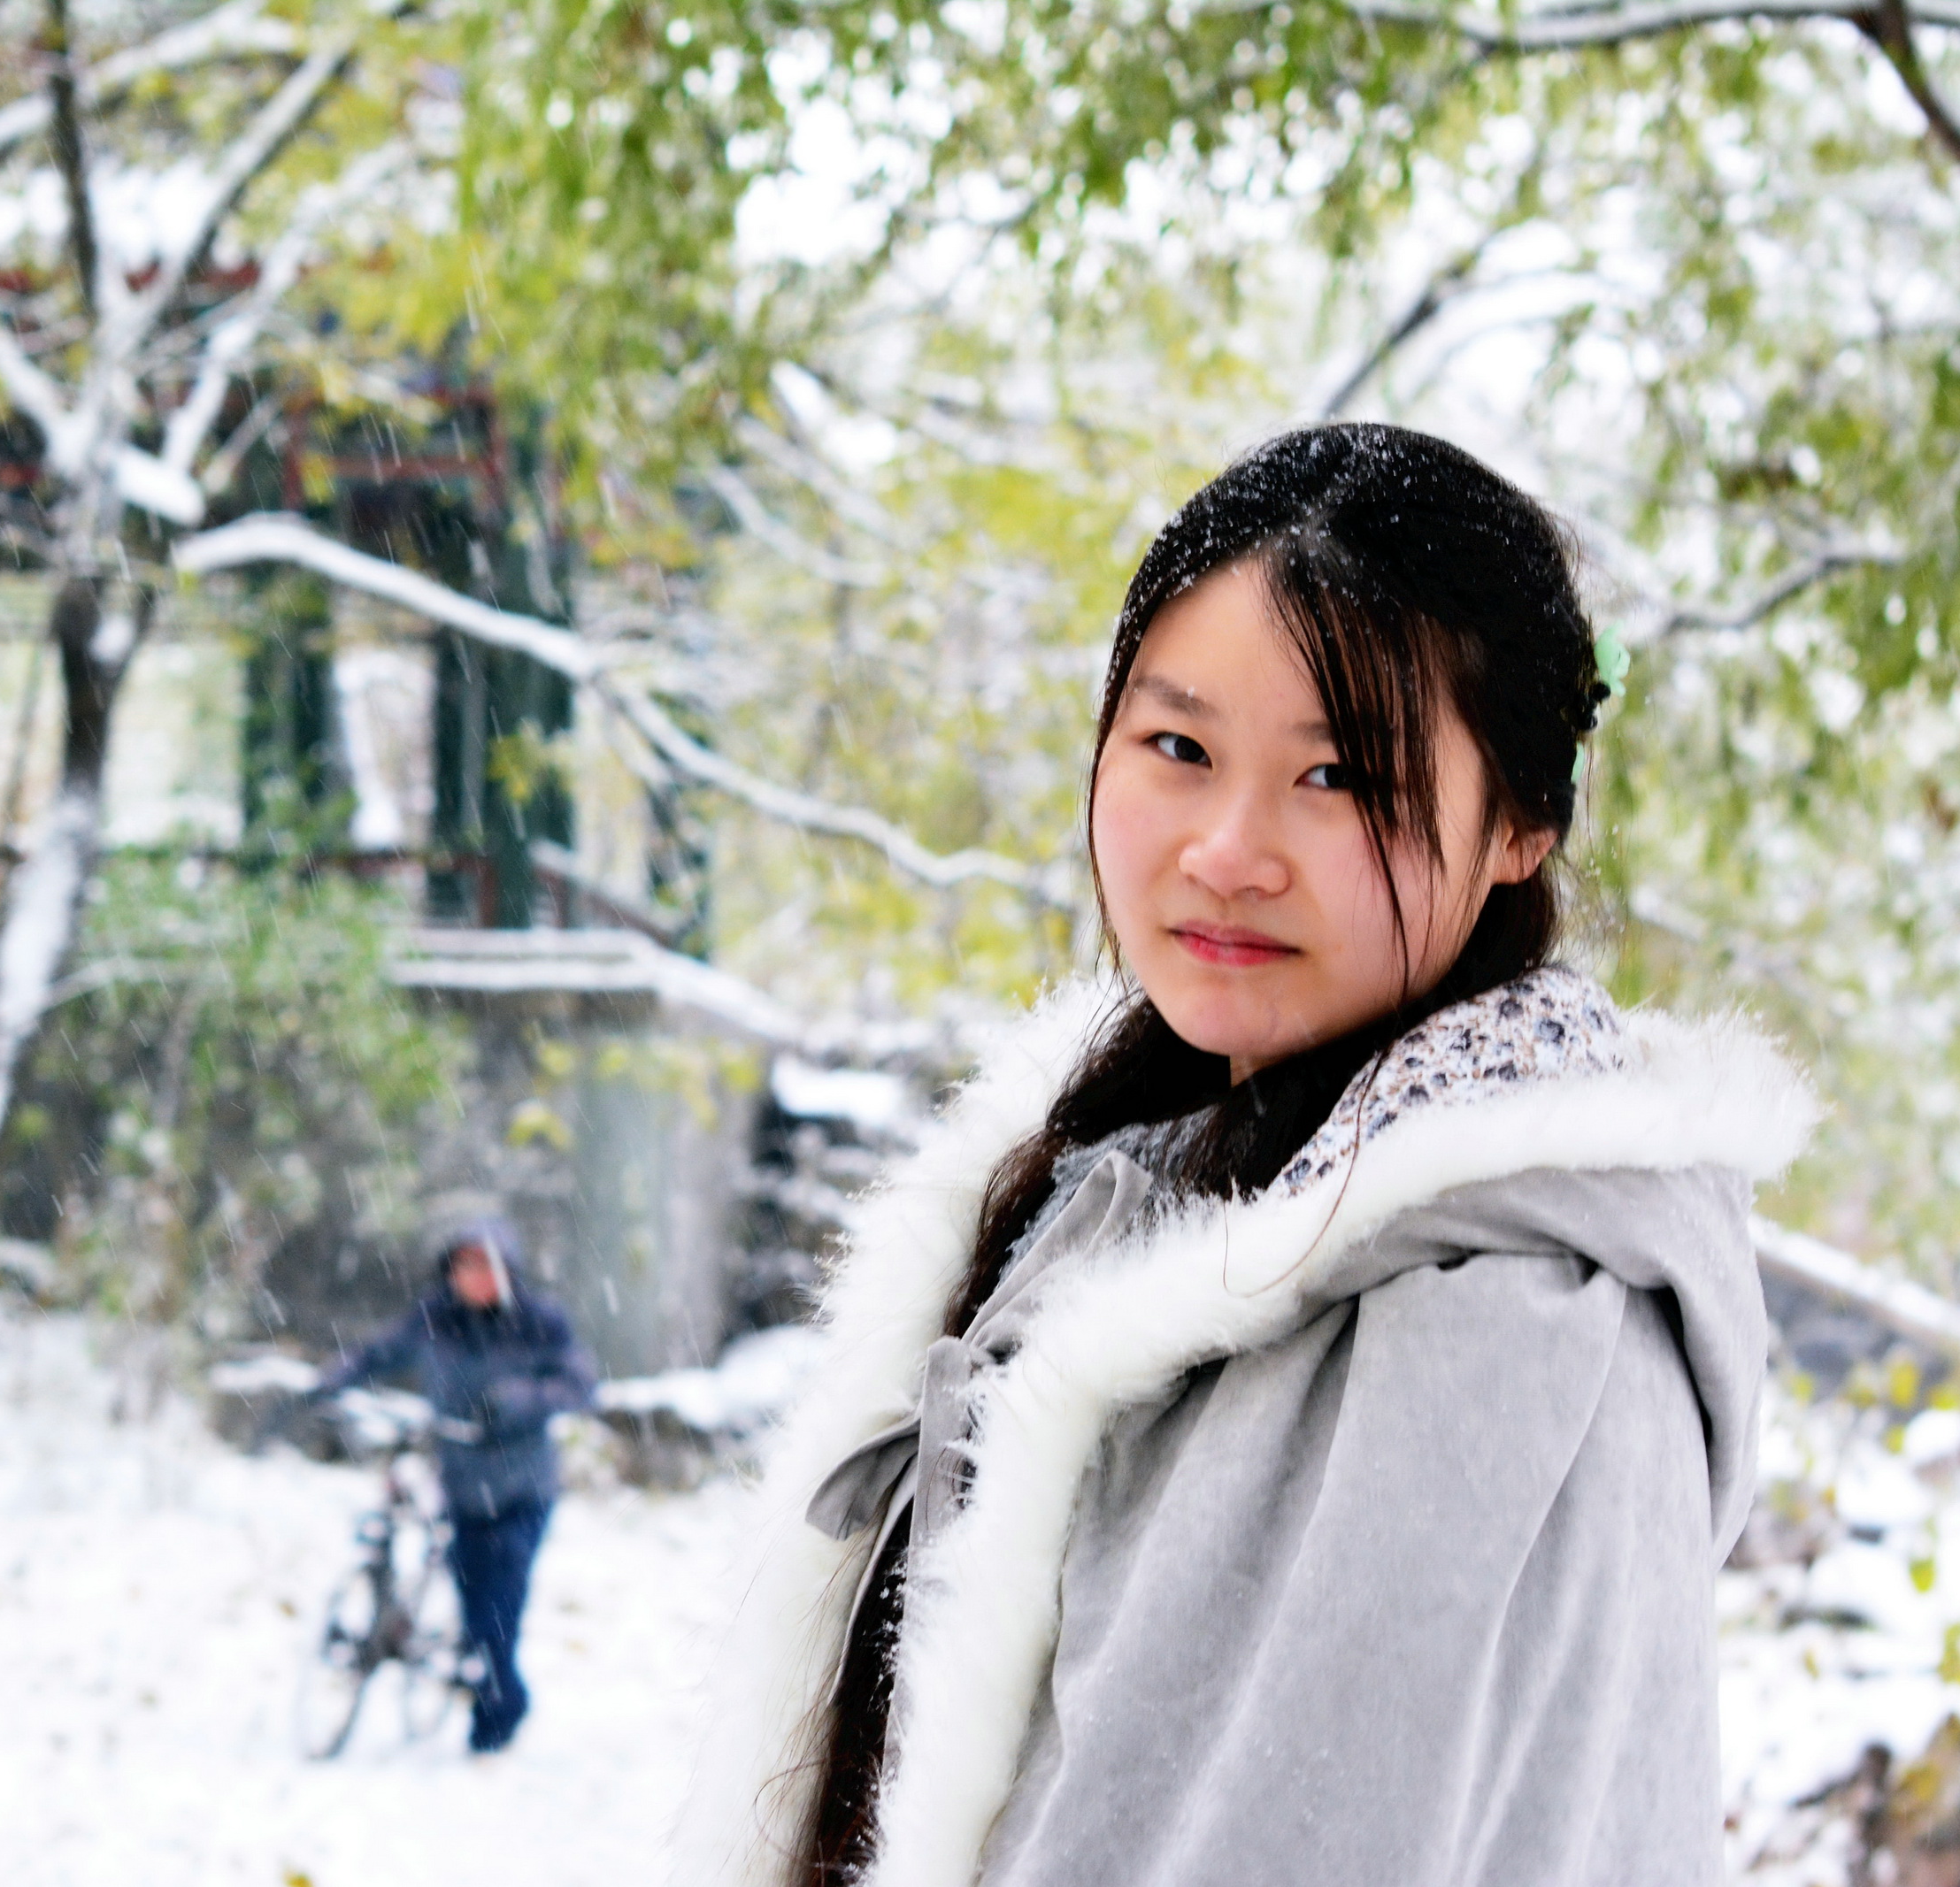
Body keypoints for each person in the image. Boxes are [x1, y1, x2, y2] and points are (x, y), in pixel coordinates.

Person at [674, 425, 1817, 1886]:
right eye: (1178, 747)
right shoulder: (1127, 1172)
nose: (1228, 846)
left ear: (1519, 819)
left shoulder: (1504, 1322)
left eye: (1337, 774)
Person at [315, 1218, 596, 1753]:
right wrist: (336, 1376)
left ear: (508, 1270)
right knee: (473, 1606)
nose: (475, 1277)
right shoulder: (436, 1318)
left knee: (499, 1607)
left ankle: (501, 1713)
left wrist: (519, 1400)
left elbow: (579, 1383)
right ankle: (478, 1681)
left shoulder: (539, 1322)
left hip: (521, 1491)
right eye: (464, 1265)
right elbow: (381, 1351)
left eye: (486, 1264)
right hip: (463, 1486)